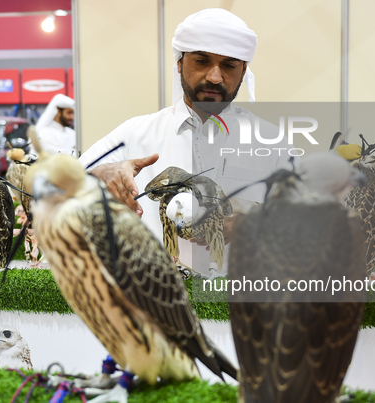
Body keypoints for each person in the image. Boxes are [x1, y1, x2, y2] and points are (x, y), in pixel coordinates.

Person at [78, 9, 286, 275]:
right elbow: (50, 191)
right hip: (152, 304)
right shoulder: (135, 134)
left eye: (229, 65)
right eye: (202, 61)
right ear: (180, 62)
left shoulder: (271, 143)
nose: (214, 76)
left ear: (243, 70)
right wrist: (99, 174)